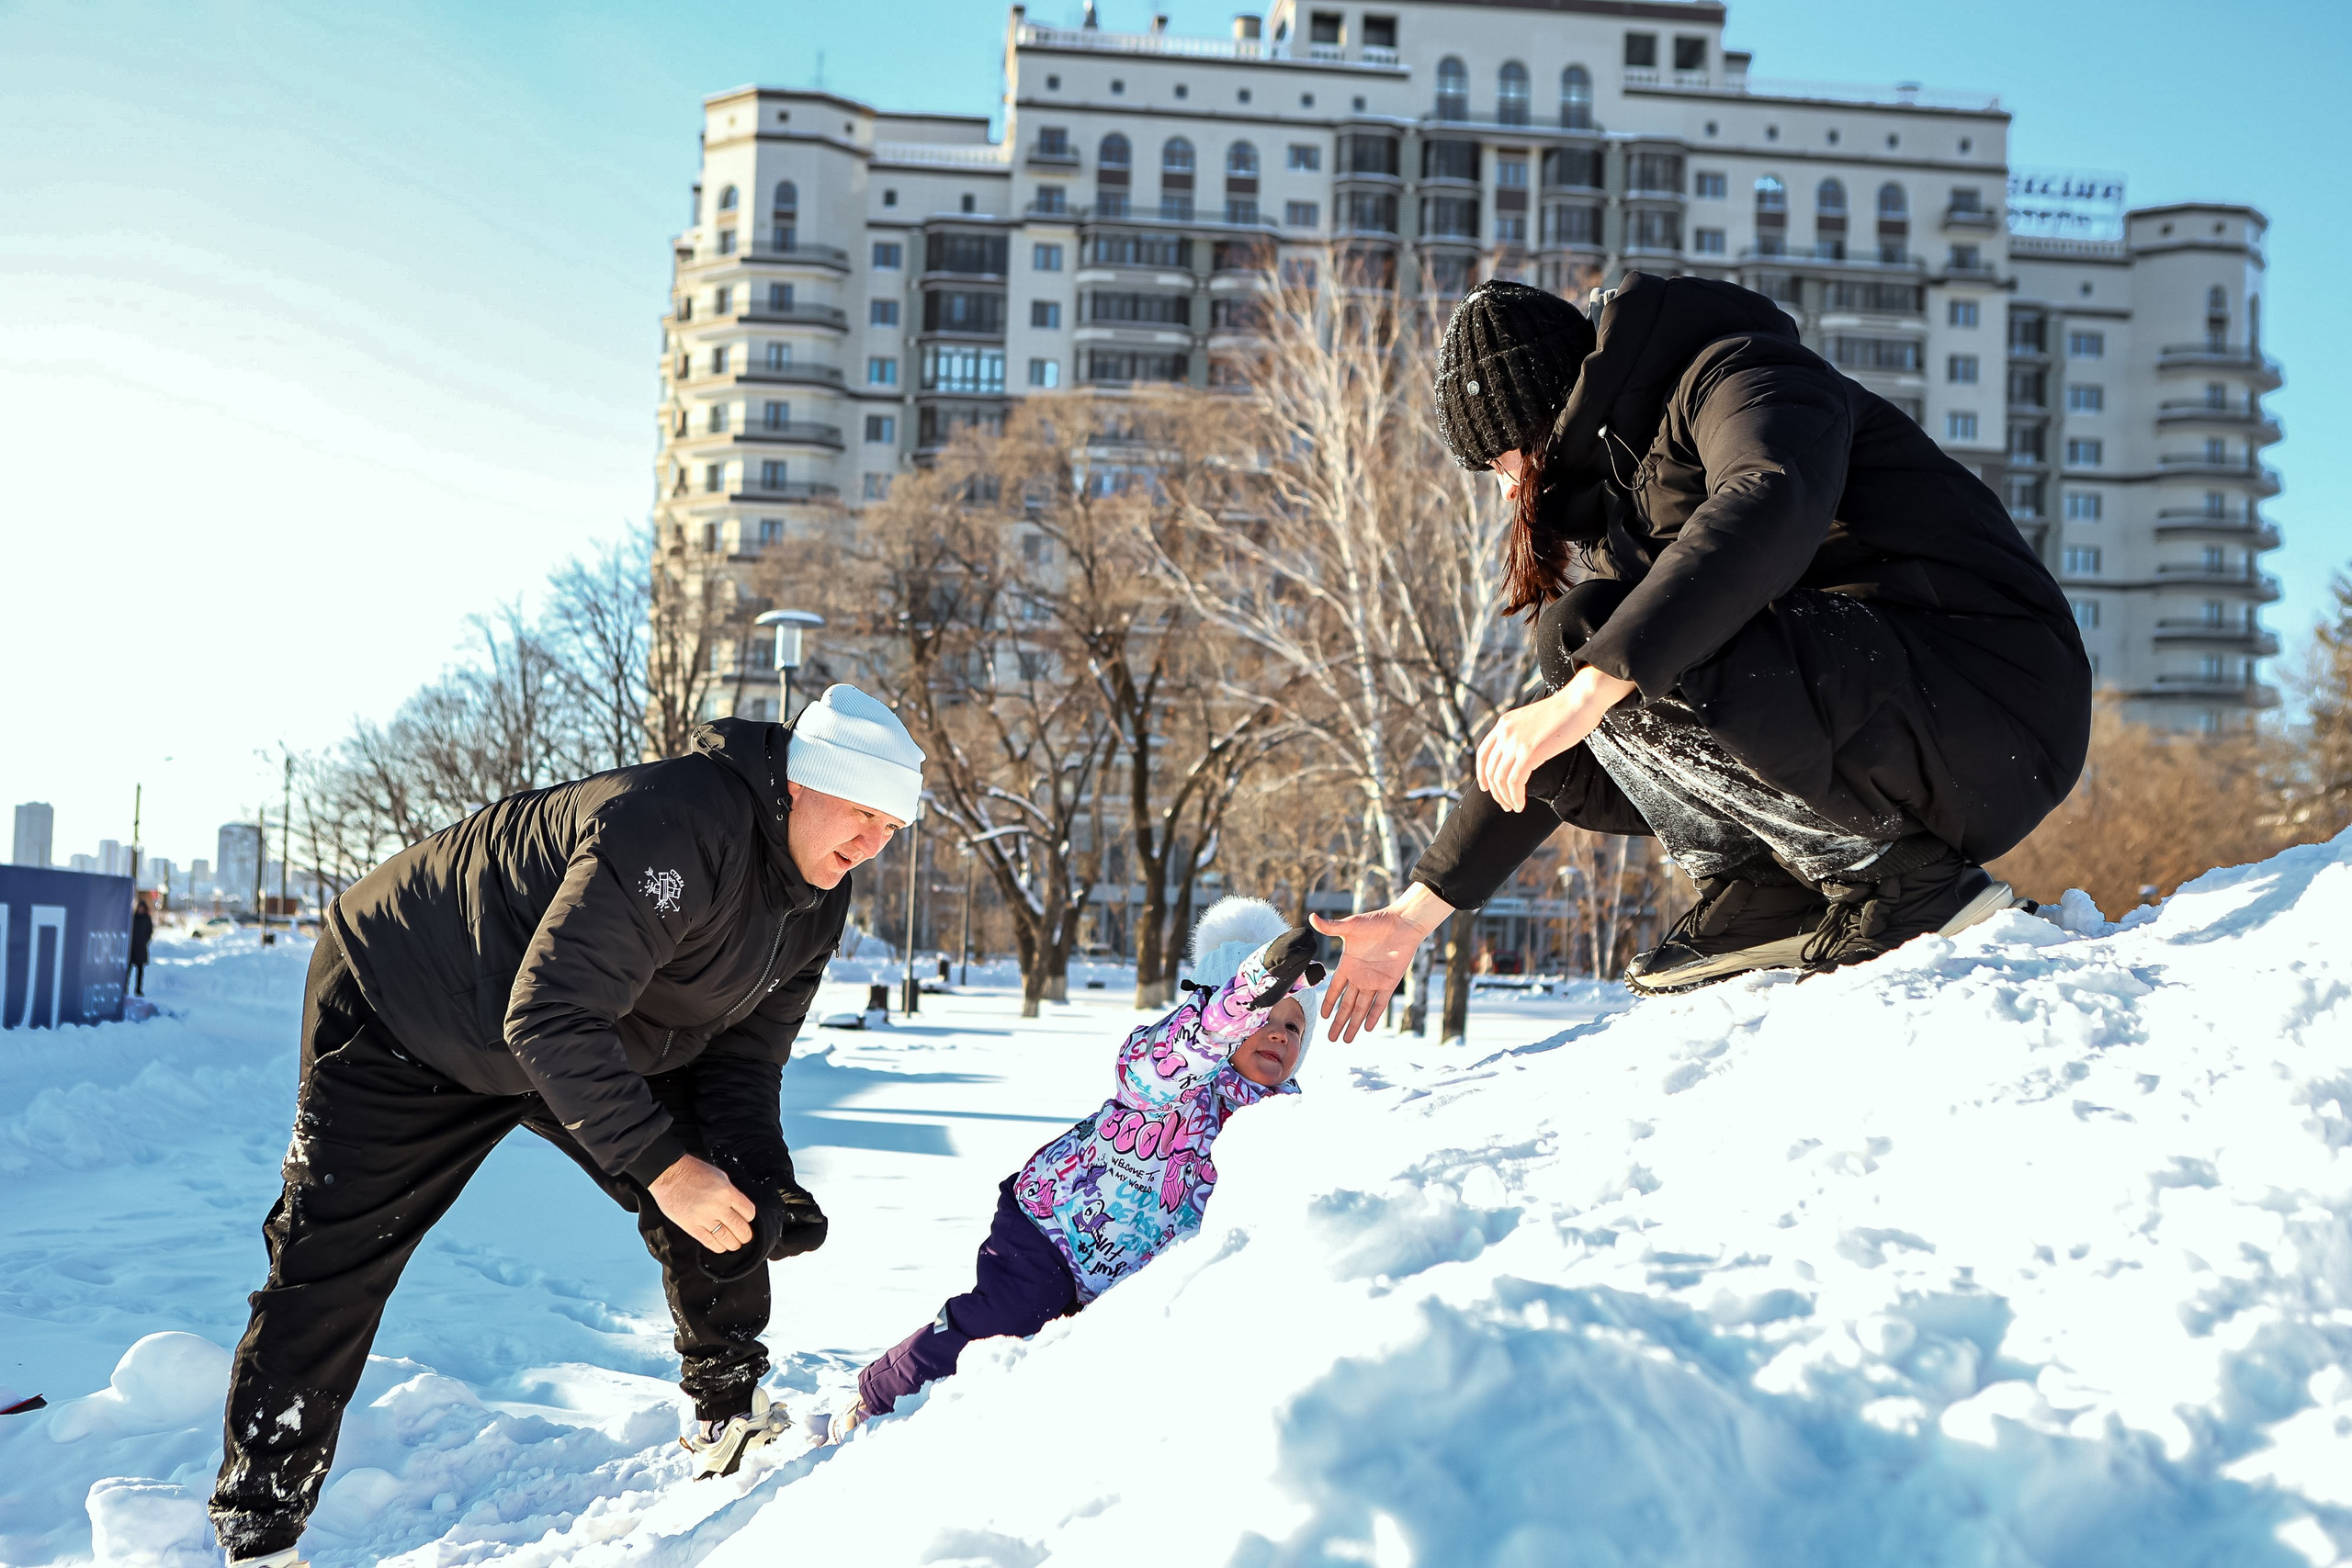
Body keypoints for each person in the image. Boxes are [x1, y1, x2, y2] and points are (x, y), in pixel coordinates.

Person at [208, 684, 925, 1567]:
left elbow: (741, 1061)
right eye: (860, 813)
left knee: (721, 1194)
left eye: (891, 829)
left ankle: (728, 1414)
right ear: (803, 783)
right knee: (336, 1263)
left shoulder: (818, 897)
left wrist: (760, 1175)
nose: (869, 844)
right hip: (411, 1005)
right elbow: (547, 1016)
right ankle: (258, 1533)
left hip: (576, 1029)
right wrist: (665, 1168)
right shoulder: (677, 826)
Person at [1317, 275, 2091, 1029]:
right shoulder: (1628, 503)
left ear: (1541, 416)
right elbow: (1580, 726)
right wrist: (1419, 913)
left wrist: (1589, 690)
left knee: (1603, 645)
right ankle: (1763, 887)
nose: (1507, 492)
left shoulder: (1738, 372)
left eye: (1499, 464)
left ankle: (1905, 881)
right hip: (1901, 717)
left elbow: (1767, 500)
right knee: (1579, 665)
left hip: (1992, 701)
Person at [807, 897, 1323, 1445]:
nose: (1282, 1035)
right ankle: (879, 1396)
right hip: (1053, 1228)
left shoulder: (1278, 1122)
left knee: (1060, 1374)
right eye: (1265, 1018)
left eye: (1295, 1027)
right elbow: (1155, 1064)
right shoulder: (1178, 1070)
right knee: (1001, 1323)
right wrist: (1235, 1004)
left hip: (1122, 1277)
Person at [129, 892, 153, 997]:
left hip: (141, 948)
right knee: (127, 971)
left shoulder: (147, 919)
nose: (141, 910)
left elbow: (149, 931)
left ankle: (138, 989)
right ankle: (124, 989)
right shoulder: (133, 918)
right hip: (131, 948)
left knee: (140, 971)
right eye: (140, 908)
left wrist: (144, 940)